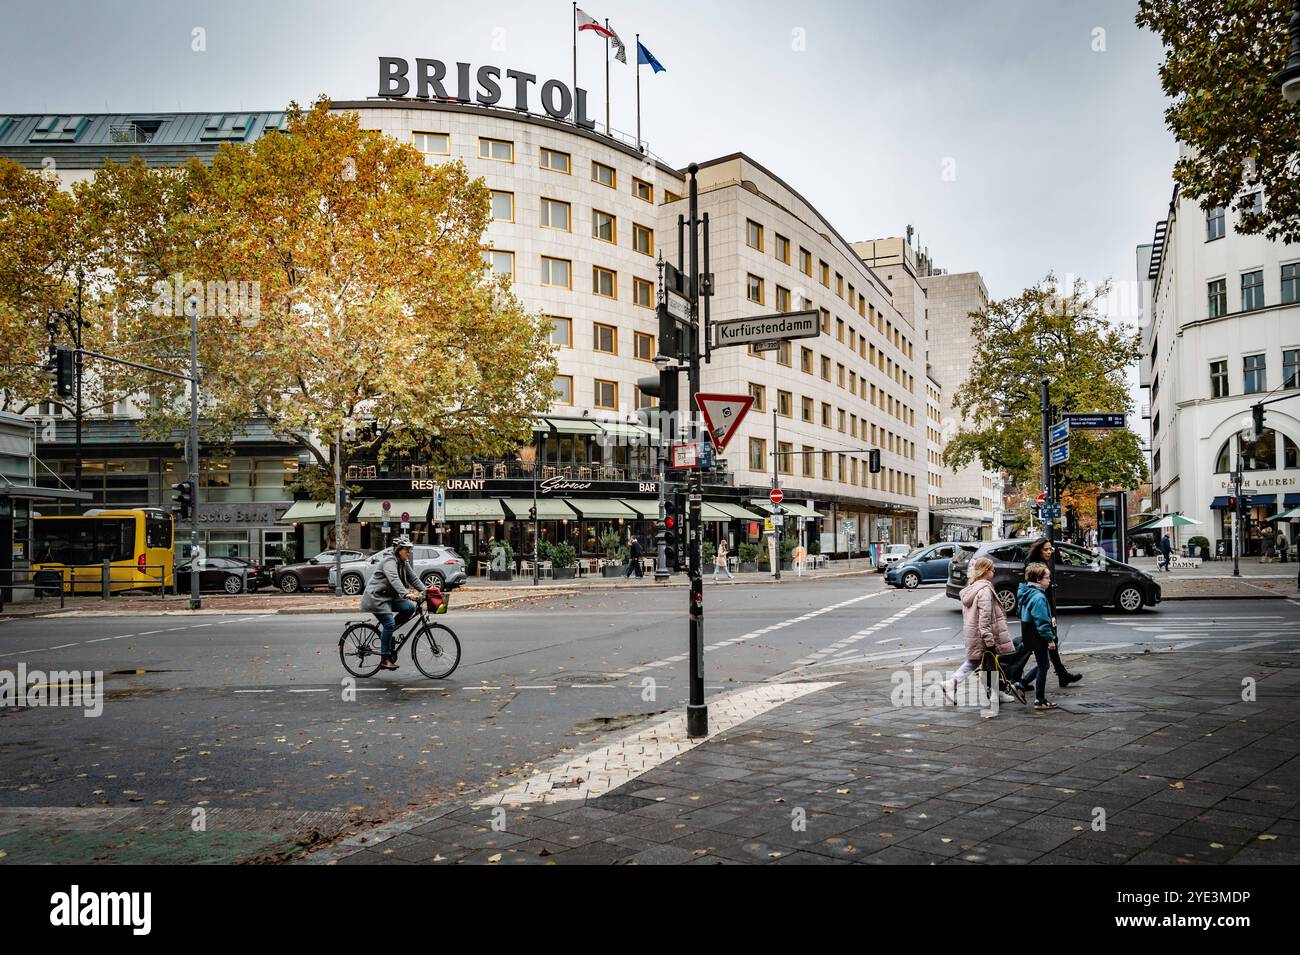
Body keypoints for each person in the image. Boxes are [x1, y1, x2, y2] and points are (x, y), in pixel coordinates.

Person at [943, 556, 1023, 710]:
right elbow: (984, 618)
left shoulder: (973, 587)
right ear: (986, 571)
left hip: (975, 634)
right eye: (993, 569)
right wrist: (989, 639)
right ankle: (952, 684)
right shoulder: (985, 590)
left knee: (984, 663)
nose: (994, 572)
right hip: (984, 635)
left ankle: (996, 692)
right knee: (984, 662)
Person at [1015, 536, 1082, 691]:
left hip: (1043, 612)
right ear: (1038, 550)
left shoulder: (1040, 563)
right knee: (1043, 649)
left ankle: (1059, 674)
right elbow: (1037, 595)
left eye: (1050, 548)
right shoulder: (1034, 567)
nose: (1049, 551)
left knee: (1044, 648)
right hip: (1040, 613)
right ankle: (1029, 687)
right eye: (1046, 549)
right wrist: (1049, 615)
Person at [360, 535, 421, 671]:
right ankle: (385, 658)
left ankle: (386, 635)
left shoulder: (403, 563)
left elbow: (413, 578)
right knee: (389, 623)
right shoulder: (389, 562)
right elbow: (394, 579)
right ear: (399, 550)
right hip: (376, 598)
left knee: (409, 608)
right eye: (407, 550)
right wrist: (406, 594)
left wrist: (428, 591)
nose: (409, 552)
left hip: (389, 598)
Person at [1015, 562, 1058, 710]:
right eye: (1047, 578)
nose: (1049, 580)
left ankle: (1020, 685)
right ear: (1039, 580)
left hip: (1029, 632)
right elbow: (1042, 621)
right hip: (1038, 634)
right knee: (1044, 665)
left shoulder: (1028, 592)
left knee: (1043, 665)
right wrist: (1050, 639)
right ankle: (1039, 699)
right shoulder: (1038, 597)